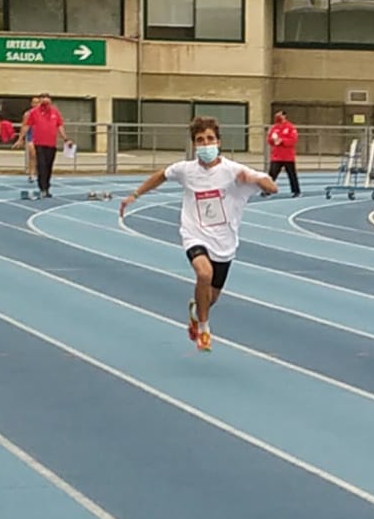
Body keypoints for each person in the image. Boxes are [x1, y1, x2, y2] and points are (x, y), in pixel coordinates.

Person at [119, 117, 278, 352]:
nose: (205, 145)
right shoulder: (186, 170)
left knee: (210, 298)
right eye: (200, 140)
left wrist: (254, 179)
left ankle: (197, 312)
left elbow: (272, 187)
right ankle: (204, 328)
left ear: (219, 142)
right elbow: (161, 175)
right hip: (194, 235)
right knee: (204, 273)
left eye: (210, 139)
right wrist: (135, 194)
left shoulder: (234, 171)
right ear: (194, 145)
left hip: (224, 242)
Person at [25, 93, 66, 198]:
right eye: (43, 98)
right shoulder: (34, 112)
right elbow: (27, 125)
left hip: (51, 144)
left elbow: (60, 125)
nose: (45, 100)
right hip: (39, 143)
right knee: (41, 165)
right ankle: (42, 187)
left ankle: (47, 187)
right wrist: (21, 139)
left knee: (48, 166)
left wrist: (65, 138)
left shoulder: (55, 112)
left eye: (47, 98)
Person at [266, 110, 300, 195]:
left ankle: (296, 191)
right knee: (272, 174)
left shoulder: (290, 127)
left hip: (288, 156)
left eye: (281, 115)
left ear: (284, 116)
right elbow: (269, 140)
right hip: (276, 156)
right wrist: (273, 141)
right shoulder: (274, 128)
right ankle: (267, 191)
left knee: (292, 175)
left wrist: (282, 141)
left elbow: (293, 140)